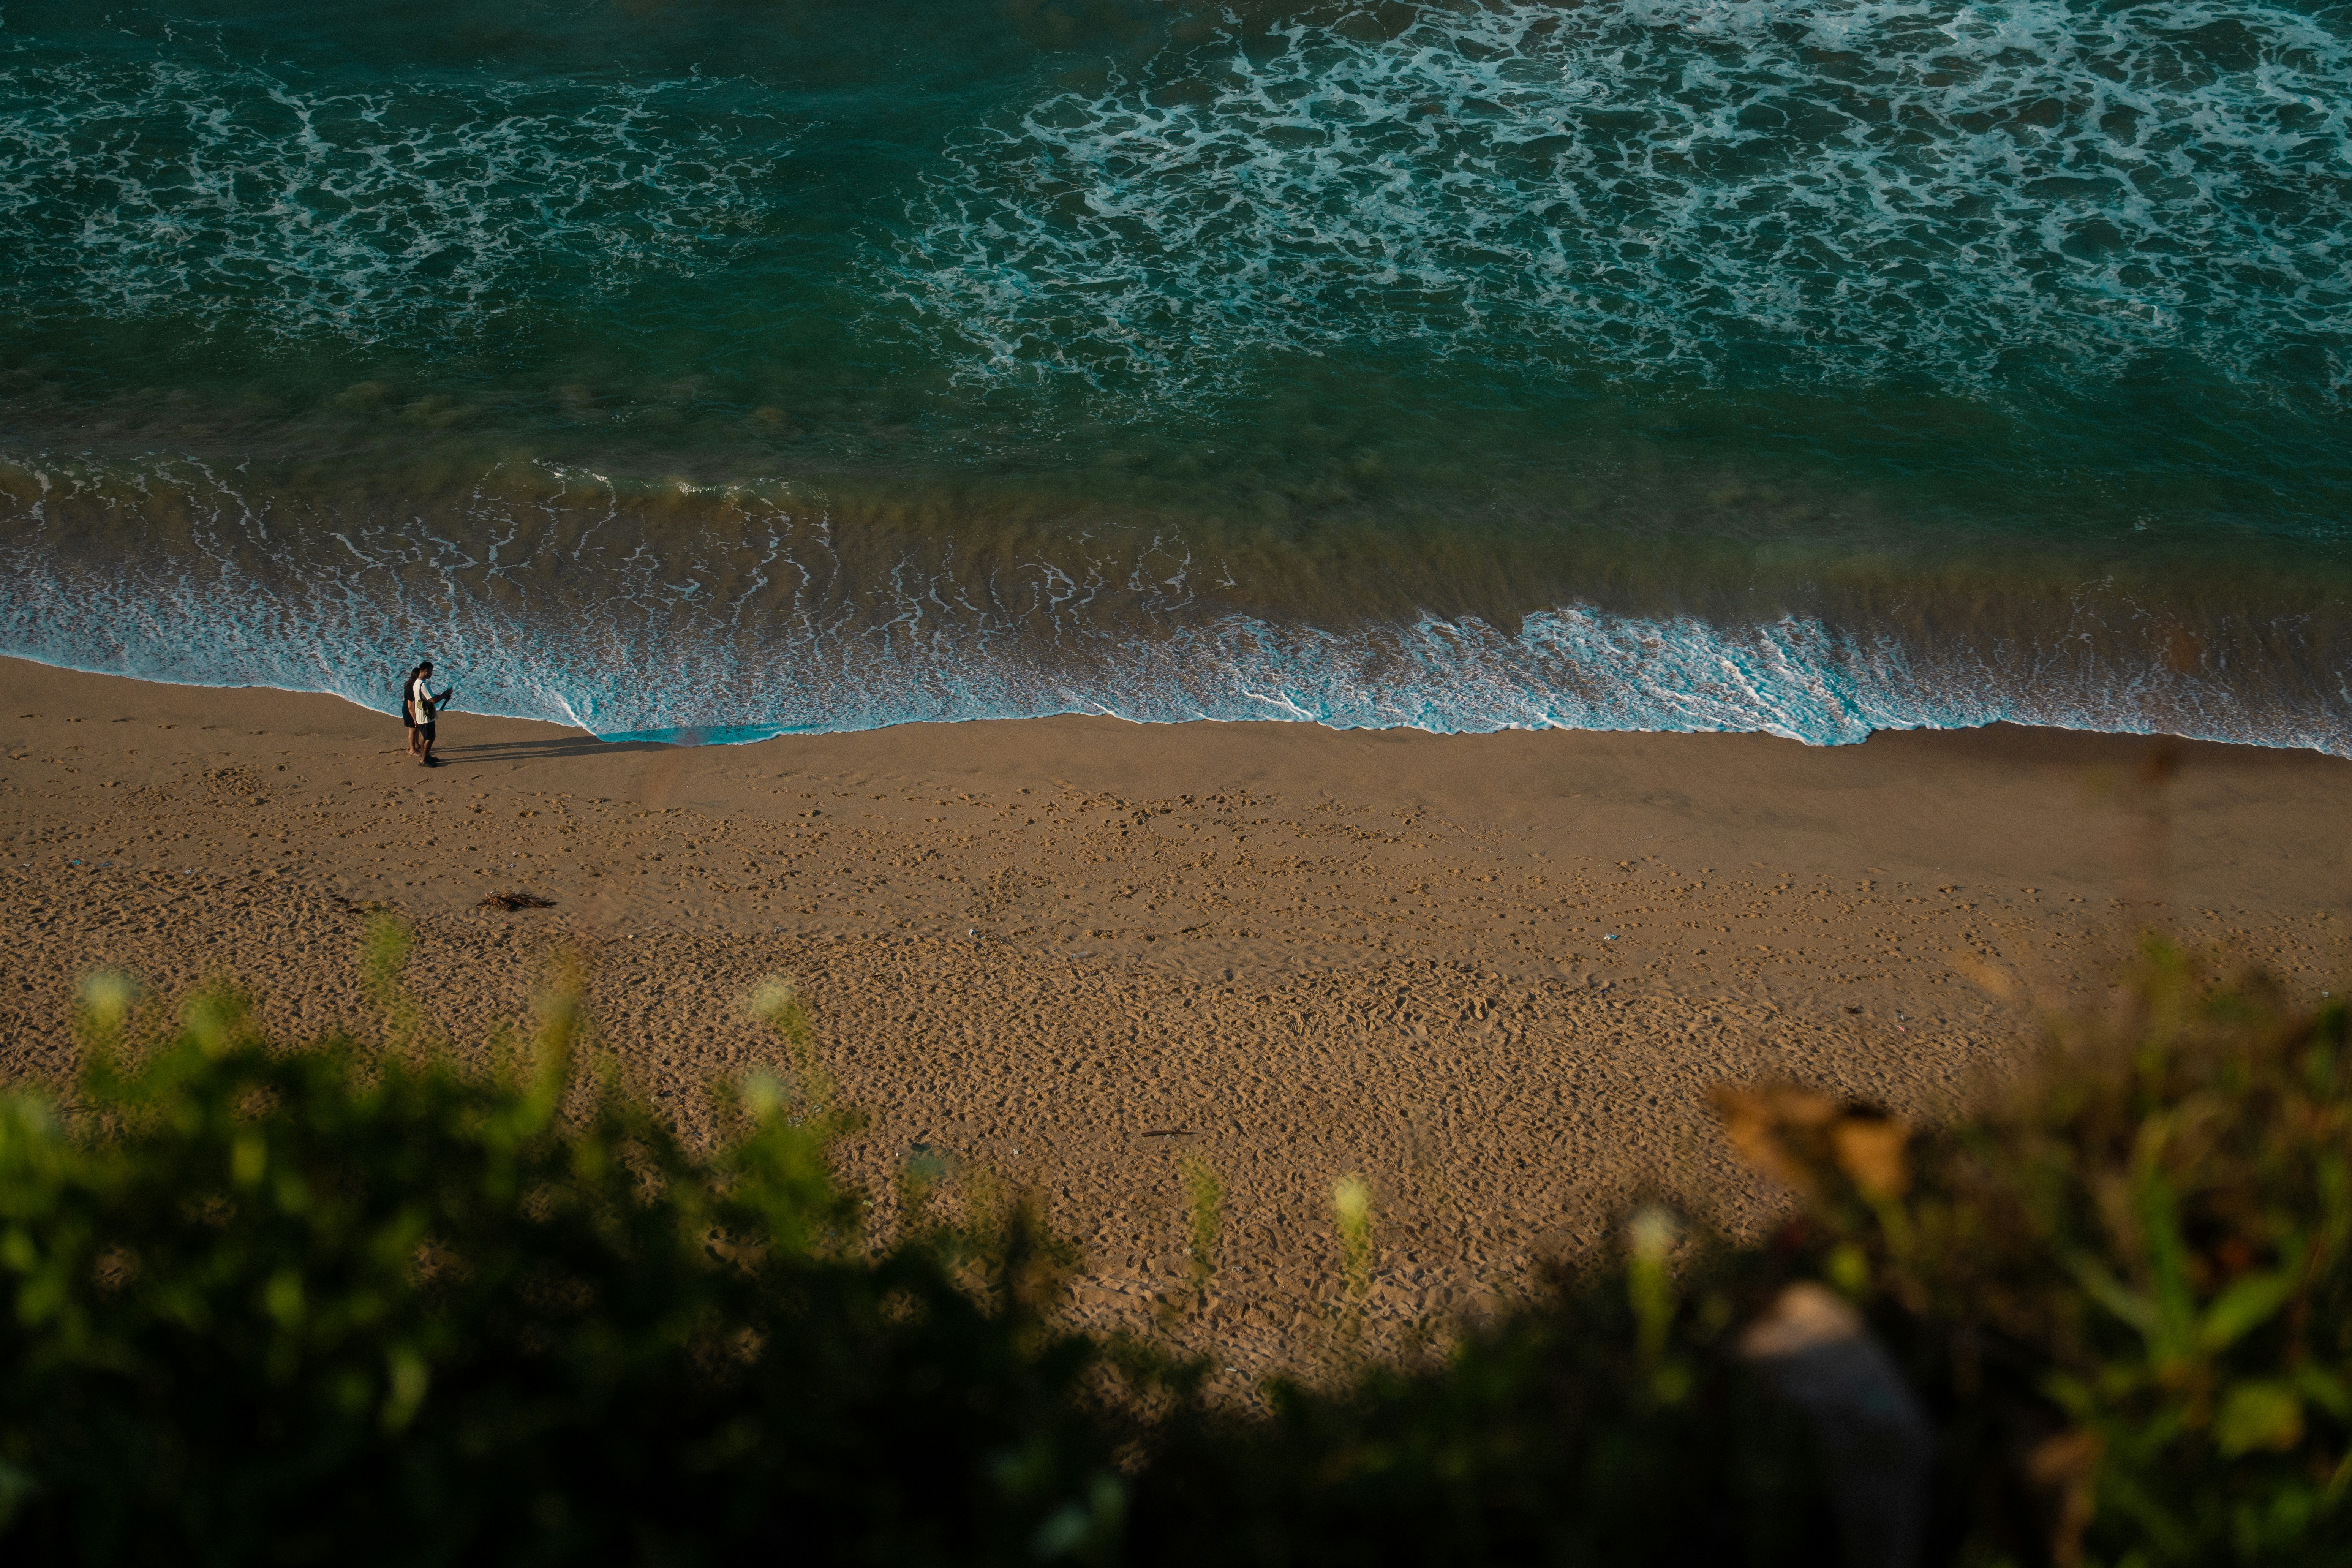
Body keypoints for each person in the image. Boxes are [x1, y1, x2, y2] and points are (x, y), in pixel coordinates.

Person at [404, 661, 454, 767]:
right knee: (430, 738)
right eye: (431, 671)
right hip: (426, 717)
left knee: (425, 736)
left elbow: (425, 697)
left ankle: (425, 756)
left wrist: (443, 696)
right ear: (426, 670)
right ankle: (423, 760)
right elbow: (433, 700)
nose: (432, 673)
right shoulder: (424, 685)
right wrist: (444, 694)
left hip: (420, 715)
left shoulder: (417, 682)